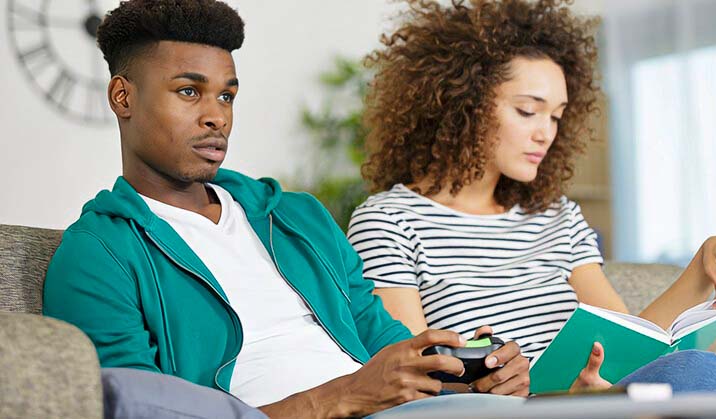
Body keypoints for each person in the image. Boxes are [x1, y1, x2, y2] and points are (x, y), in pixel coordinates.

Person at [41, 1, 531, 418]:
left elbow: (385, 345)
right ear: (123, 97)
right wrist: (344, 397)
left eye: (227, 95)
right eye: (189, 91)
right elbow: (143, 408)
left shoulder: (299, 217)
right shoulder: (97, 255)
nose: (217, 116)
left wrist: (469, 378)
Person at [347, 0, 716, 416]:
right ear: (460, 104)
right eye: (528, 111)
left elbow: (629, 341)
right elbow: (406, 377)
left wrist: (703, 265)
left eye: (557, 116)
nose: (547, 133)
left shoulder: (558, 216)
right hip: (523, 410)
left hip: (599, 399)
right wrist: (495, 385)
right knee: (696, 373)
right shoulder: (388, 220)